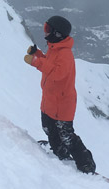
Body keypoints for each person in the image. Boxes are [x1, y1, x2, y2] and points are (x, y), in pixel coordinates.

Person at [24, 15, 96, 174]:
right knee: (48, 128)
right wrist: (39, 54)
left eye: (48, 29)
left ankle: (86, 164)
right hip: (50, 100)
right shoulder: (53, 48)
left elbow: (57, 73)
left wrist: (36, 62)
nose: (45, 32)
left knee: (67, 135)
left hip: (63, 104)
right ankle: (60, 152)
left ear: (57, 34)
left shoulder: (65, 54)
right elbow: (50, 63)